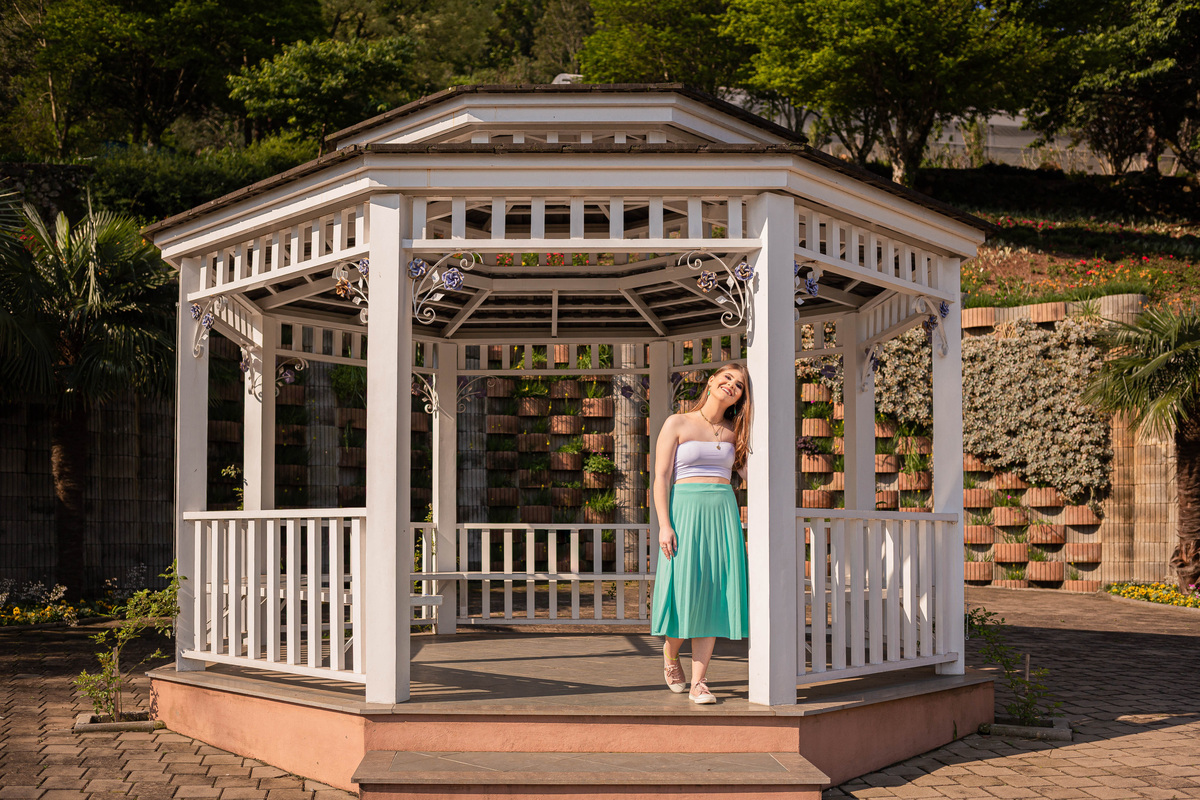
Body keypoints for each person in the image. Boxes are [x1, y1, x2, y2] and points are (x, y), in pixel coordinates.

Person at [650, 364, 751, 704]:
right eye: (726, 378)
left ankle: (699, 682)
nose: (731, 385)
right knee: (684, 594)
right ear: (711, 381)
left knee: (712, 594)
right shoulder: (677, 422)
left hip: (722, 514)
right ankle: (669, 654)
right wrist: (665, 524)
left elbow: (751, 476)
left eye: (738, 385)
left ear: (741, 396)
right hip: (685, 514)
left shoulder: (736, 431)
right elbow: (661, 477)